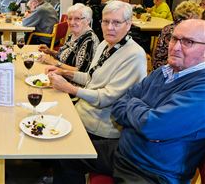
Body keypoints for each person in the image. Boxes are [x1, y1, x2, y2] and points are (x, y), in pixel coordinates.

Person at [53, 19, 205, 184]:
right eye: (174, 39)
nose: (175, 47)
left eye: (188, 42)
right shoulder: (162, 72)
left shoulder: (201, 88)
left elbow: (152, 126)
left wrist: (136, 110)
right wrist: (144, 114)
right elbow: (119, 105)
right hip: (123, 150)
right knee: (65, 154)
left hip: (153, 172)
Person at [46, 0, 146, 140]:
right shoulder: (105, 44)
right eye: (106, 21)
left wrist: (70, 88)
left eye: (116, 22)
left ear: (128, 24)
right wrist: (63, 72)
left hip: (99, 128)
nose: (110, 27)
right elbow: (90, 78)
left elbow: (106, 98)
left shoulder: (134, 55)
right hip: (82, 111)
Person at [38, 3, 99, 72]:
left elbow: (81, 72)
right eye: (69, 19)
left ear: (87, 20)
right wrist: (50, 52)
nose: (72, 22)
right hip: (60, 72)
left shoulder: (89, 41)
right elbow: (65, 56)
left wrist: (54, 62)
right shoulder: (73, 34)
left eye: (77, 19)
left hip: (70, 80)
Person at [153, 1, 203, 70]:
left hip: (158, 67)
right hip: (170, 69)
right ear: (190, 16)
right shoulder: (184, 31)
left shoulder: (168, 27)